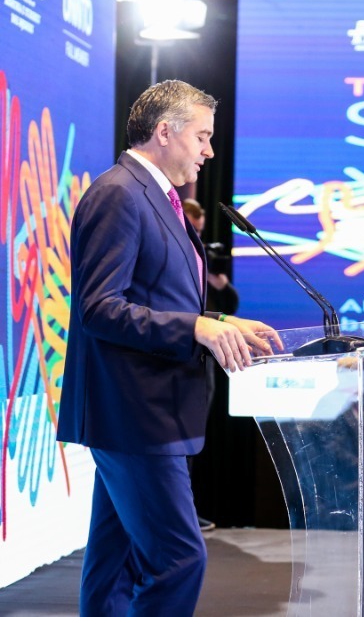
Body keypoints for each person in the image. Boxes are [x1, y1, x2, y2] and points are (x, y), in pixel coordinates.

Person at [57, 80, 281, 616]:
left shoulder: (155, 196)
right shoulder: (119, 193)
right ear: (164, 132)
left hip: (144, 409)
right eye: (202, 136)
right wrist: (196, 329)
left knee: (114, 566)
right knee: (179, 559)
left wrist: (218, 320)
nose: (209, 151)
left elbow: (156, 295)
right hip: (135, 412)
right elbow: (98, 309)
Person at [181, 198, 240, 316]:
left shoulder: (205, 256)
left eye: (199, 231)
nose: (197, 236)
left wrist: (222, 287)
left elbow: (230, 307)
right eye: (193, 229)